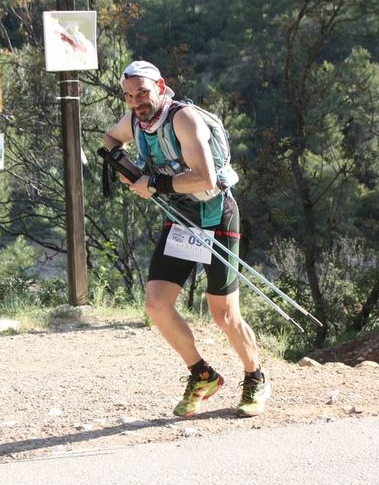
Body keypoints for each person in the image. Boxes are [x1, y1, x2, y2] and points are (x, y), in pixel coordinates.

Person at [103, 60, 270, 418]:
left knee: (224, 314)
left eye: (142, 93)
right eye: (129, 95)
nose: (136, 101)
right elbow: (110, 138)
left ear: (161, 87)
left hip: (216, 214)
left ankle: (255, 376)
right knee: (156, 305)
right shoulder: (135, 120)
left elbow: (205, 179)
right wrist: (126, 169)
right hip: (180, 217)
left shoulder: (183, 119)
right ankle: (203, 375)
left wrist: (152, 183)